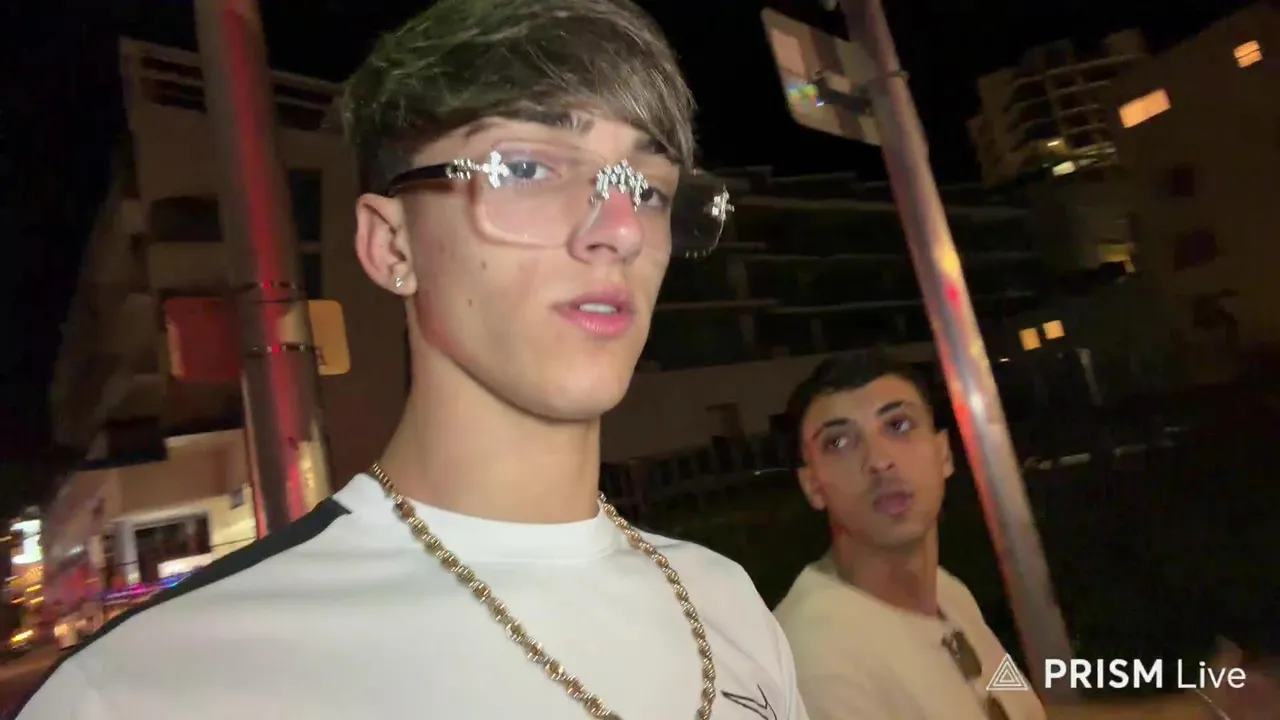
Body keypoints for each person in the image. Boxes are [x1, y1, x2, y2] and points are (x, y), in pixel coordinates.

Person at [13, 1, 805, 718]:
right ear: (392, 245)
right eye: (526, 169)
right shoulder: (158, 689)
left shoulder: (726, 601)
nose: (622, 229)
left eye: (650, 189)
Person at [773, 351, 1278, 720]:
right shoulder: (817, 660)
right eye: (838, 442)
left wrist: (1206, 707)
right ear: (812, 485)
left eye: (899, 426)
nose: (879, 460)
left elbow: (1025, 711)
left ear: (944, 454)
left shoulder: (946, 592)